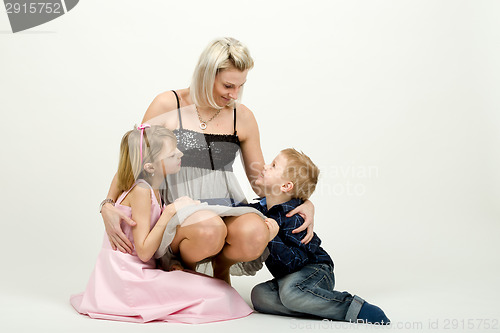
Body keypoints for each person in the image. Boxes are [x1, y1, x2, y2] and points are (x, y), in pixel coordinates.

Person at [100, 37, 316, 283]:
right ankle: (182, 266)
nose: (234, 94)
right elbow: (135, 160)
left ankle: (220, 268)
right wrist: (107, 203)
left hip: (227, 207)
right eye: (227, 86)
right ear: (206, 75)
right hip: (180, 210)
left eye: (240, 86)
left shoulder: (242, 117)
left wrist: (303, 201)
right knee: (210, 228)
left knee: (256, 232)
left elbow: (261, 181)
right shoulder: (169, 104)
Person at [70, 125, 253, 324]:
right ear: (150, 166)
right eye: (172, 153)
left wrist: (170, 263)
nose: (180, 153)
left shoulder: (153, 188)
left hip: (139, 272)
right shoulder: (141, 191)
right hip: (128, 280)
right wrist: (170, 212)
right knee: (220, 295)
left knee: (219, 292)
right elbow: (143, 252)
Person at [248, 148, 390, 324]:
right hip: (288, 278)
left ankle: (353, 307)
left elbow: (293, 264)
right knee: (259, 295)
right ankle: (312, 306)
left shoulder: (296, 218)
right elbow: (238, 210)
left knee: (291, 293)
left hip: (314, 270)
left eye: (274, 165)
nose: (265, 166)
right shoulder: (261, 209)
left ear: (286, 186)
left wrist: (272, 237)